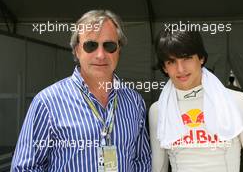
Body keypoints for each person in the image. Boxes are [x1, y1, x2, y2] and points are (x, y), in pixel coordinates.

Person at [11, 10, 151, 171]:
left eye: (109, 45)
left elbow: (142, 160)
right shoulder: (47, 102)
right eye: (90, 45)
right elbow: (25, 167)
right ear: (77, 50)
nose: (100, 55)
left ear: (119, 50)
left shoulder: (134, 101)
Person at [149, 29, 243, 172]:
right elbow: (158, 168)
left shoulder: (238, 102)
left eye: (187, 58)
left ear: (201, 58)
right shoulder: (158, 110)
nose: (180, 69)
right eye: (171, 61)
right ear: (164, 67)